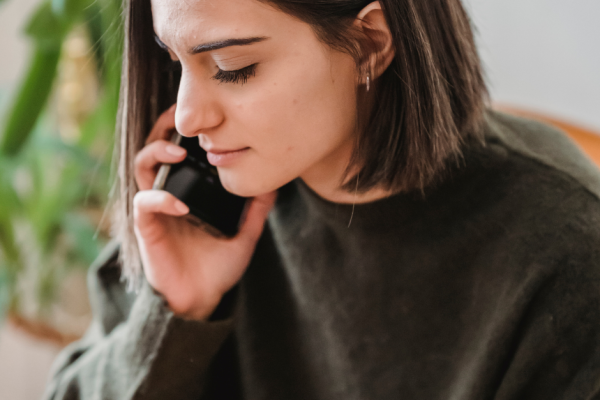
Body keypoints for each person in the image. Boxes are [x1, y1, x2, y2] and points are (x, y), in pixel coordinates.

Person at [43, 0, 600, 399]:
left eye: (234, 69)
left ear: (371, 42)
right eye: (175, 61)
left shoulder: (565, 249)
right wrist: (177, 313)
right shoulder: (198, 199)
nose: (188, 116)